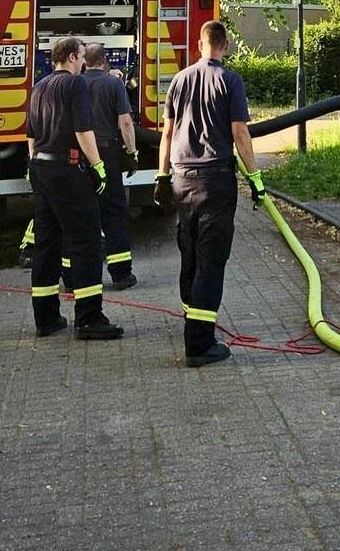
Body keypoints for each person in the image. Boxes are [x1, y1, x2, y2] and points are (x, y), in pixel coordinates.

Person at [154, 20, 264, 367]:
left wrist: (161, 175)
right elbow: (239, 132)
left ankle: (192, 321)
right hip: (216, 181)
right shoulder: (230, 80)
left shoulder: (180, 80)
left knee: (189, 251)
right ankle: (200, 344)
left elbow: (167, 132)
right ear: (226, 45)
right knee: (212, 259)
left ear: (200, 44)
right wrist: (256, 180)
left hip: (181, 179)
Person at [26, 36, 123, 340]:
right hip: (67, 170)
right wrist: (98, 166)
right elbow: (83, 130)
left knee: (47, 243)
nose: (83, 62)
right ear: (71, 57)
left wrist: (35, 165)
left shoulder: (39, 87)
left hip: (41, 168)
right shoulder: (74, 84)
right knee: (87, 241)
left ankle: (46, 318)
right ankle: (89, 318)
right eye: (81, 56)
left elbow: (31, 135)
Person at [82, 43, 139, 291]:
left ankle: (76, 277)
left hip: (82, 154)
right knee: (114, 211)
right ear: (105, 61)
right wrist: (132, 152)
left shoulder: (75, 83)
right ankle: (121, 275)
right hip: (107, 152)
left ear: (84, 60)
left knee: (82, 214)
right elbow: (125, 123)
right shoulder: (114, 84)